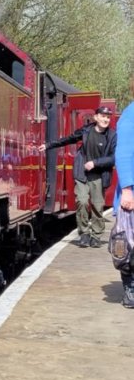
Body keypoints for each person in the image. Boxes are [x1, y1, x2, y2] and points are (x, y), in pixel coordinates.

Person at [39, 106, 117, 247]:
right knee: (82, 201)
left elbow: (113, 157)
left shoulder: (112, 135)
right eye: (103, 116)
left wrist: (95, 163)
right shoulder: (86, 130)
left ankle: (97, 236)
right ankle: (84, 233)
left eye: (108, 117)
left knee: (97, 206)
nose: (106, 119)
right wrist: (48, 145)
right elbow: (68, 139)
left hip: (99, 175)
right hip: (82, 172)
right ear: (96, 117)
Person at [114, 77, 134, 308]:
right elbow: (125, 153)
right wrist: (127, 189)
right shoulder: (130, 115)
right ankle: (130, 287)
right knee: (127, 243)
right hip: (133, 191)